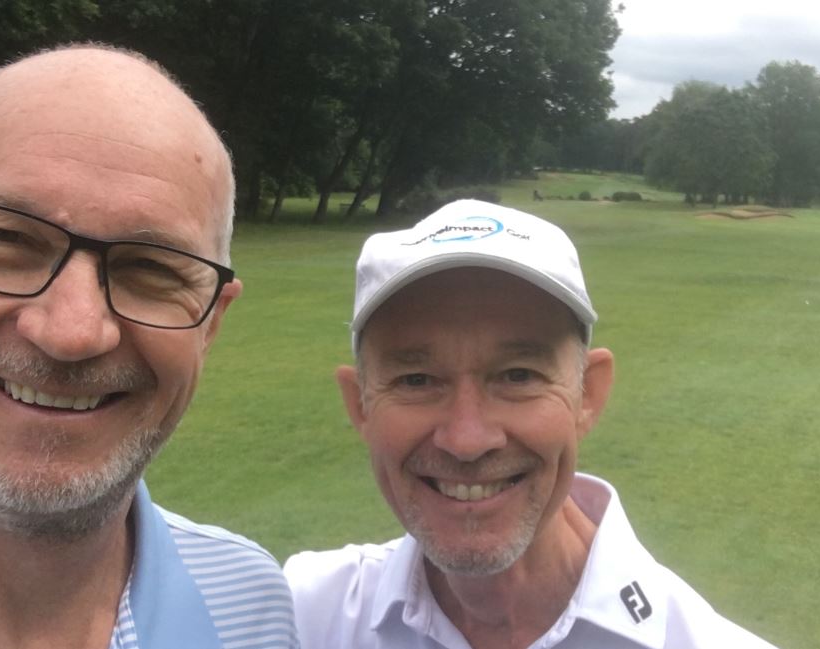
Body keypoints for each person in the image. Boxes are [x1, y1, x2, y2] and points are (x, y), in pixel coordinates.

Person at [0, 44, 298, 648]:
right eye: (5, 238)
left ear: (209, 325)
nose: (72, 332)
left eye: (152, 268)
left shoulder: (250, 607)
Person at [284, 199, 777, 649]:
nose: (467, 440)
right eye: (416, 380)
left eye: (518, 376)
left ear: (587, 394)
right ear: (360, 405)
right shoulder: (298, 618)